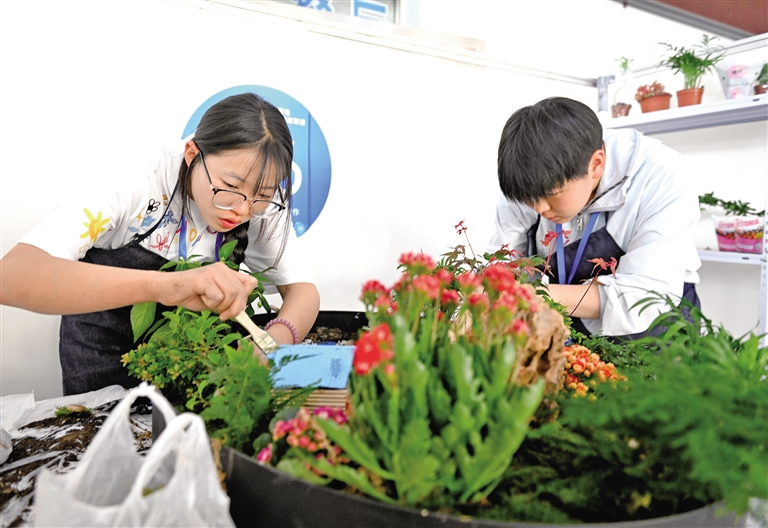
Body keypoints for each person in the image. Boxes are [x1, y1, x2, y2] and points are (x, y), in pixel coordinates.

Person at [0, 92, 320, 395]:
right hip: (100, 363)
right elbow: (13, 275)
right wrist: (168, 286)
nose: (243, 209)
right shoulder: (133, 178)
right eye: (230, 187)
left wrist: (273, 341)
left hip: (195, 369)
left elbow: (302, 291)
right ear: (192, 154)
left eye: (262, 195)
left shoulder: (261, 199)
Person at [487, 96, 701, 339]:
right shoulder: (528, 180)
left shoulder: (660, 177)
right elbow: (503, 262)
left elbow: (644, 296)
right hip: (570, 321)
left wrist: (530, 296)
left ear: (596, 165)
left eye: (552, 194)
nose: (540, 208)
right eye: (529, 199)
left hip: (658, 331)